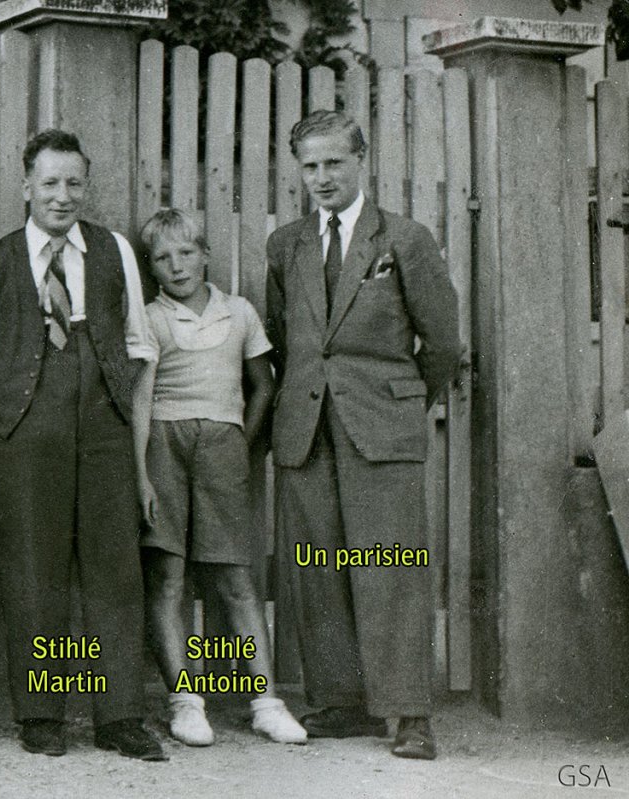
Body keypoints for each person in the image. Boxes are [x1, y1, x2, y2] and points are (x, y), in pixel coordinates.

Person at [0, 129, 164, 761]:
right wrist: (12, 412)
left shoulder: (113, 251)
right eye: (49, 183)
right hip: (24, 436)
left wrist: (114, 407)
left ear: (85, 186)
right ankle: (42, 715)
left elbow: (137, 342)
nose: (62, 196)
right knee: (33, 572)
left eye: (73, 183)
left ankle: (121, 717)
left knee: (115, 572)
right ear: (26, 187)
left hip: (105, 429)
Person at [265, 109, 459, 760]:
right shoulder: (286, 244)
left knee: (391, 568)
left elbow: (443, 343)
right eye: (310, 166)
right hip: (306, 427)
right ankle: (342, 701)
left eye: (333, 163)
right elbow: (285, 335)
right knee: (316, 565)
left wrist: (399, 403)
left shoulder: (405, 239)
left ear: (360, 161)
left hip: (382, 427)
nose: (322, 177)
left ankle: (409, 713)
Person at [132, 209, 306, 747]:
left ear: (205, 254)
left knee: (235, 577)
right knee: (168, 577)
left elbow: (263, 385)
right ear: (151, 267)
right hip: (164, 445)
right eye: (163, 257)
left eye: (186, 252)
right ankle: (186, 703)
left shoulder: (240, 312)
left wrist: (241, 443)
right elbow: (141, 399)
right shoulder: (149, 317)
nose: (176, 265)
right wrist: (141, 474)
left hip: (223, 447)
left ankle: (267, 703)